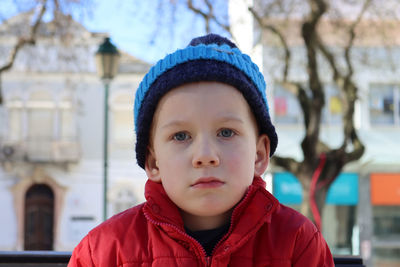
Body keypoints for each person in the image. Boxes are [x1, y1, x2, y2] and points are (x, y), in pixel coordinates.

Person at [68, 33, 334, 267]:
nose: (205, 155)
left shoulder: (297, 242)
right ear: (153, 162)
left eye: (226, 132)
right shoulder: (105, 251)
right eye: (181, 136)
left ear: (259, 154)